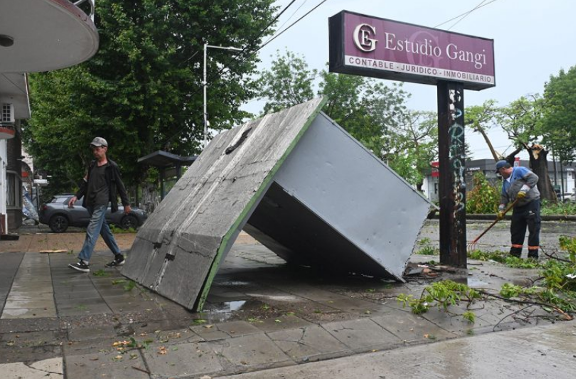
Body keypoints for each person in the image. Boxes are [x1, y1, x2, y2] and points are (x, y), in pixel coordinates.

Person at [68, 137, 131, 272]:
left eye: (97, 149)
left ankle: (84, 261)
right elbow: (85, 184)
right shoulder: (92, 165)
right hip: (90, 201)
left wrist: (126, 203)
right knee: (104, 230)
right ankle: (119, 256)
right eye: (93, 150)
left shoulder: (112, 167)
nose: (95, 152)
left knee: (92, 229)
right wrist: (76, 196)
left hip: (102, 201)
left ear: (105, 149)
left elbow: (120, 185)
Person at [495, 160, 541, 259]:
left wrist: (524, 189)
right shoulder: (505, 183)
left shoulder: (519, 170)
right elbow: (504, 198)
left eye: (499, 172)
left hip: (531, 203)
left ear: (503, 169)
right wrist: (501, 210)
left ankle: (533, 256)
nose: (499, 174)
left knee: (533, 229)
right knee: (516, 230)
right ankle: (515, 254)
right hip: (518, 207)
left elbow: (534, 177)